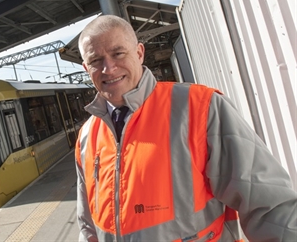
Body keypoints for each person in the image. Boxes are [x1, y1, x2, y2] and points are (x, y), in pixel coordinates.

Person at [75, 15, 297, 241]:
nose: (108, 68)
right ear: (86, 68)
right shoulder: (86, 137)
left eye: (118, 53)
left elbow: (268, 205)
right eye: (95, 61)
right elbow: (88, 225)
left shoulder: (200, 107)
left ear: (139, 53)